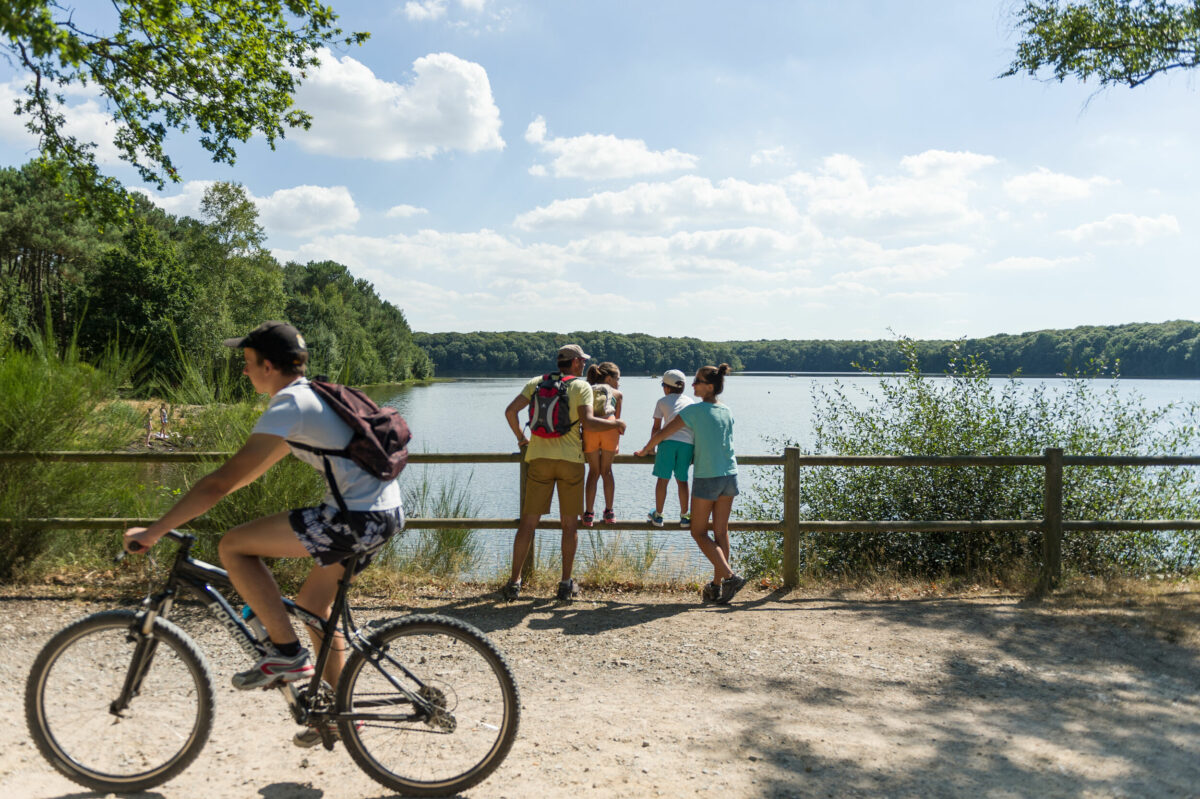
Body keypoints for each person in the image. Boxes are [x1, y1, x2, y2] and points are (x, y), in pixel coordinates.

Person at [123, 321, 404, 748]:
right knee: (314, 605)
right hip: (382, 514)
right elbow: (241, 479)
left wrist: (155, 530)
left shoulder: (289, 405)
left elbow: (219, 484)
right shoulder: (309, 398)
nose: (244, 371)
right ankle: (339, 712)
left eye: (248, 363)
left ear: (268, 365)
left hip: (354, 519)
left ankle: (287, 656)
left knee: (233, 546)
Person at [503, 344, 626, 601]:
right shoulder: (580, 387)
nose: (583, 365)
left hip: (538, 459)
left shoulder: (537, 382)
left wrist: (521, 439)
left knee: (527, 523)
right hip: (570, 460)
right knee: (570, 526)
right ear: (574, 363)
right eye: (581, 361)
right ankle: (565, 583)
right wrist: (617, 423)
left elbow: (510, 411)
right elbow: (589, 422)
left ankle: (514, 582)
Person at [636, 364, 745, 604]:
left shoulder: (694, 411)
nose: (692, 384)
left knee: (698, 532)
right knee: (721, 532)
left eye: (697, 381)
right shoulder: (726, 410)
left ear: (709, 386)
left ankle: (730, 576)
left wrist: (646, 450)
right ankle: (717, 587)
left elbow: (663, 433)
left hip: (708, 477)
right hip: (730, 475)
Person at [644, 369, 694, 528]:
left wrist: (651, 448)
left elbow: (656, 428)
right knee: (682, 480)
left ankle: (658, 515)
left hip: (667, 443)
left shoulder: (662, 401)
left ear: (666, 387)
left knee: (663, 480)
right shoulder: (691, 402)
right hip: (687, 444)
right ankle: (685, 516)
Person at [582, 361, 623, 527]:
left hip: (590, 430)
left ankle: (589, 513)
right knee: (606, 471)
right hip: (609, 430)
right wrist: (617, 445)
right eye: (617, 379)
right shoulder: (617, 394)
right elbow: (617, 421)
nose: (618, 383)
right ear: (608, 379)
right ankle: (609, 511)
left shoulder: (586, 390)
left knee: (593, 472)